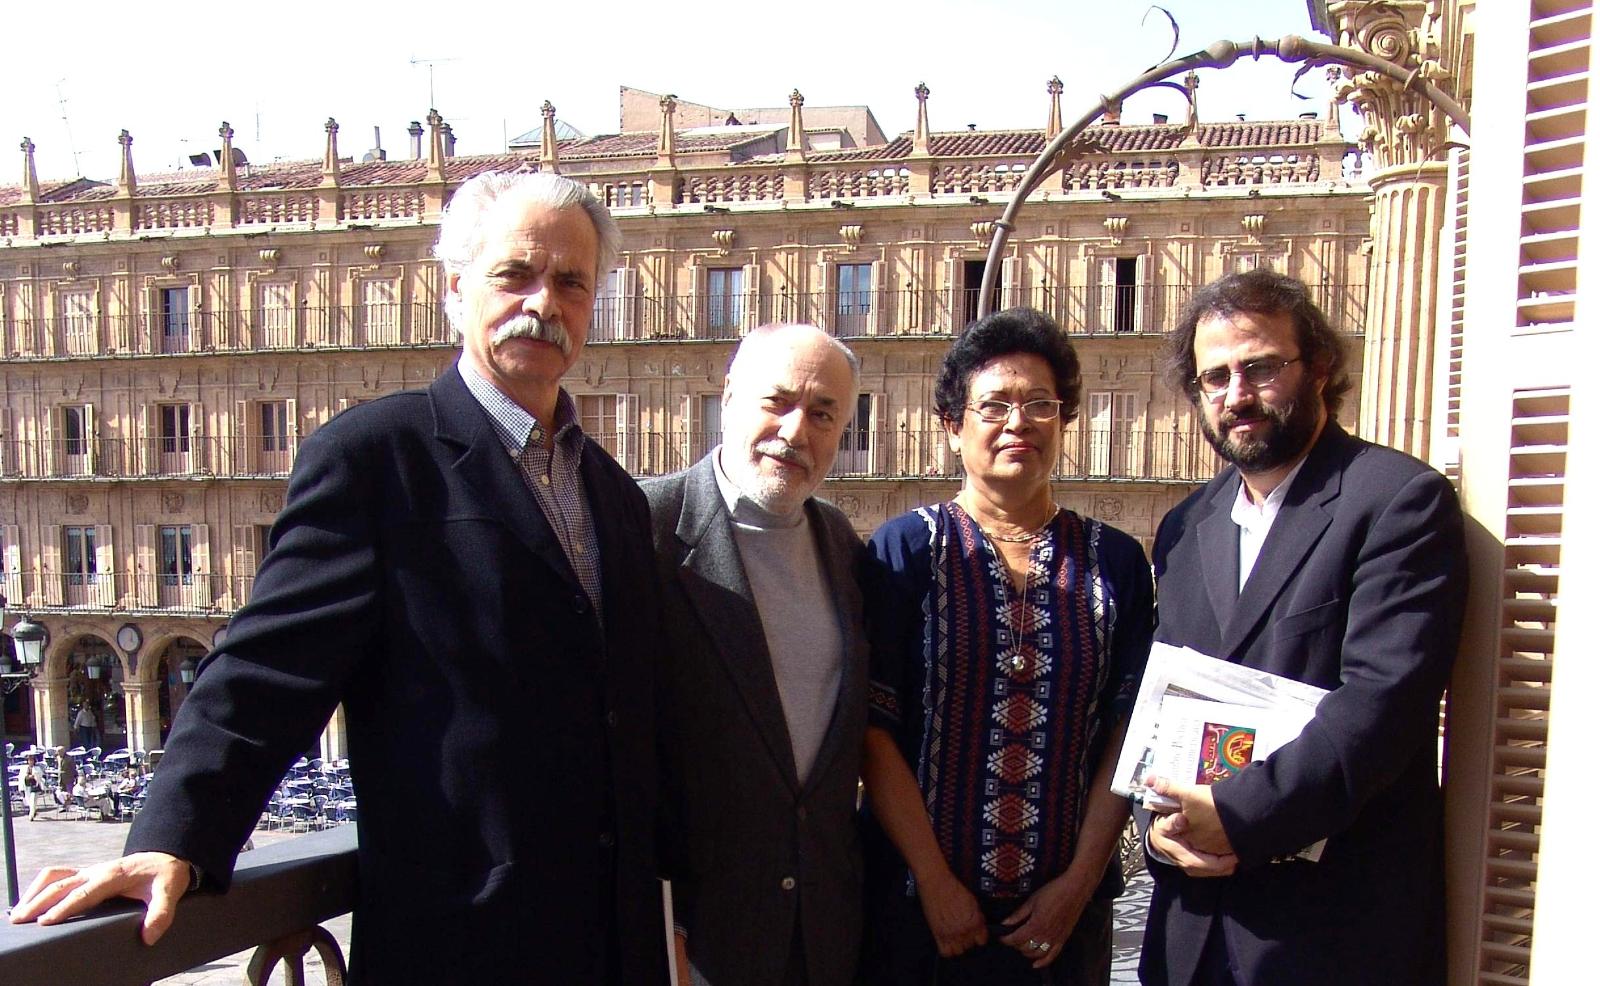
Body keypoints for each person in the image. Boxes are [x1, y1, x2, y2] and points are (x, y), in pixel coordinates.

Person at [10, 171, 670, 986]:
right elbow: (267, 669)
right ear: (455, 285)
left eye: (571, 281)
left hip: (612, 942)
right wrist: (174, 837)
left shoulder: (613, 493)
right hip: (463, 945)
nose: (545, 300)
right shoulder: (376, 457)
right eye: (515, 274)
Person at [1137, 269, 1468, 986]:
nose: (1236, 395)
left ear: (1318, 366)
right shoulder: (1185, 526)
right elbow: (1164, 706)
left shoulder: (1397, 502)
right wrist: (1159, 826)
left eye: (1259, 367)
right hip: (1192, 932)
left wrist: (1236, 813)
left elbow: (1382, 705)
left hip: (1331, 935)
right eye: (1214, 378)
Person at [859, 308, 1154, 985]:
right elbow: (873, 730)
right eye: (994, 405)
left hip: (1060, 929)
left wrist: (1078, 887)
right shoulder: (903, 551)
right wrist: (934, 884)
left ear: (1065, 421)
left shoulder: (1114, 562)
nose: (1018, 422)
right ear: (953, 427)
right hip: (919, 916)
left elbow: (1128, 731)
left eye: (1040, 405)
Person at [643, 324, 870, 986]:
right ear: (730, 396)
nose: (797, 431)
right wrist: (660, 929)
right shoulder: (645, 527)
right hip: (694, 944)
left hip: (822, 942)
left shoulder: (843, 545)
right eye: (777, 402)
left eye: (824, 414)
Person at [21, 753, 47, 821]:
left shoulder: (37, 768)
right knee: (29, 801)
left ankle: (31, 816)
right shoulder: (24, 768)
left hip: (35, 786)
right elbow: (21, 778)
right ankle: (33, 811)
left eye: (32, 760)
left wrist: (34, 775)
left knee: (33, 801)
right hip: (27, 786)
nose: (30, 761)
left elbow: (40, 777)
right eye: (29, 760)